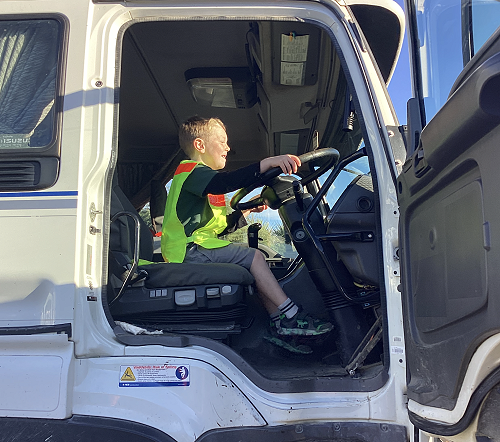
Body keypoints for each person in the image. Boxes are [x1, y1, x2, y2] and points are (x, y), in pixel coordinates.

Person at [161, 116, 332, 339]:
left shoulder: (200, 183)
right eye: (222, 141)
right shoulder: (191, 171)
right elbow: (225, 182)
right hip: (187, 251)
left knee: (253, 262)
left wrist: (248, 209)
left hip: (196, 247)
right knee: (254, 258)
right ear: (200, 145)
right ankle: (291, 315)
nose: (227, 147)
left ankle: (278, 324)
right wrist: (266, 164)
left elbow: (222, 227)